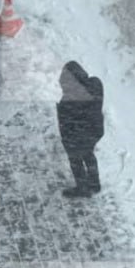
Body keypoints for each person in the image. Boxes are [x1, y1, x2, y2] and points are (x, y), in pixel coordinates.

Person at [56, 62, 104, 198]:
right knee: (89, 154)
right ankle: (95, 184)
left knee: (75, 160)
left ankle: (82, 188)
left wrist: (66, 140)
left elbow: (66, 123)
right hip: (96, 130)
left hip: (77, 135)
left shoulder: (69, 99)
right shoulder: (96, 83)